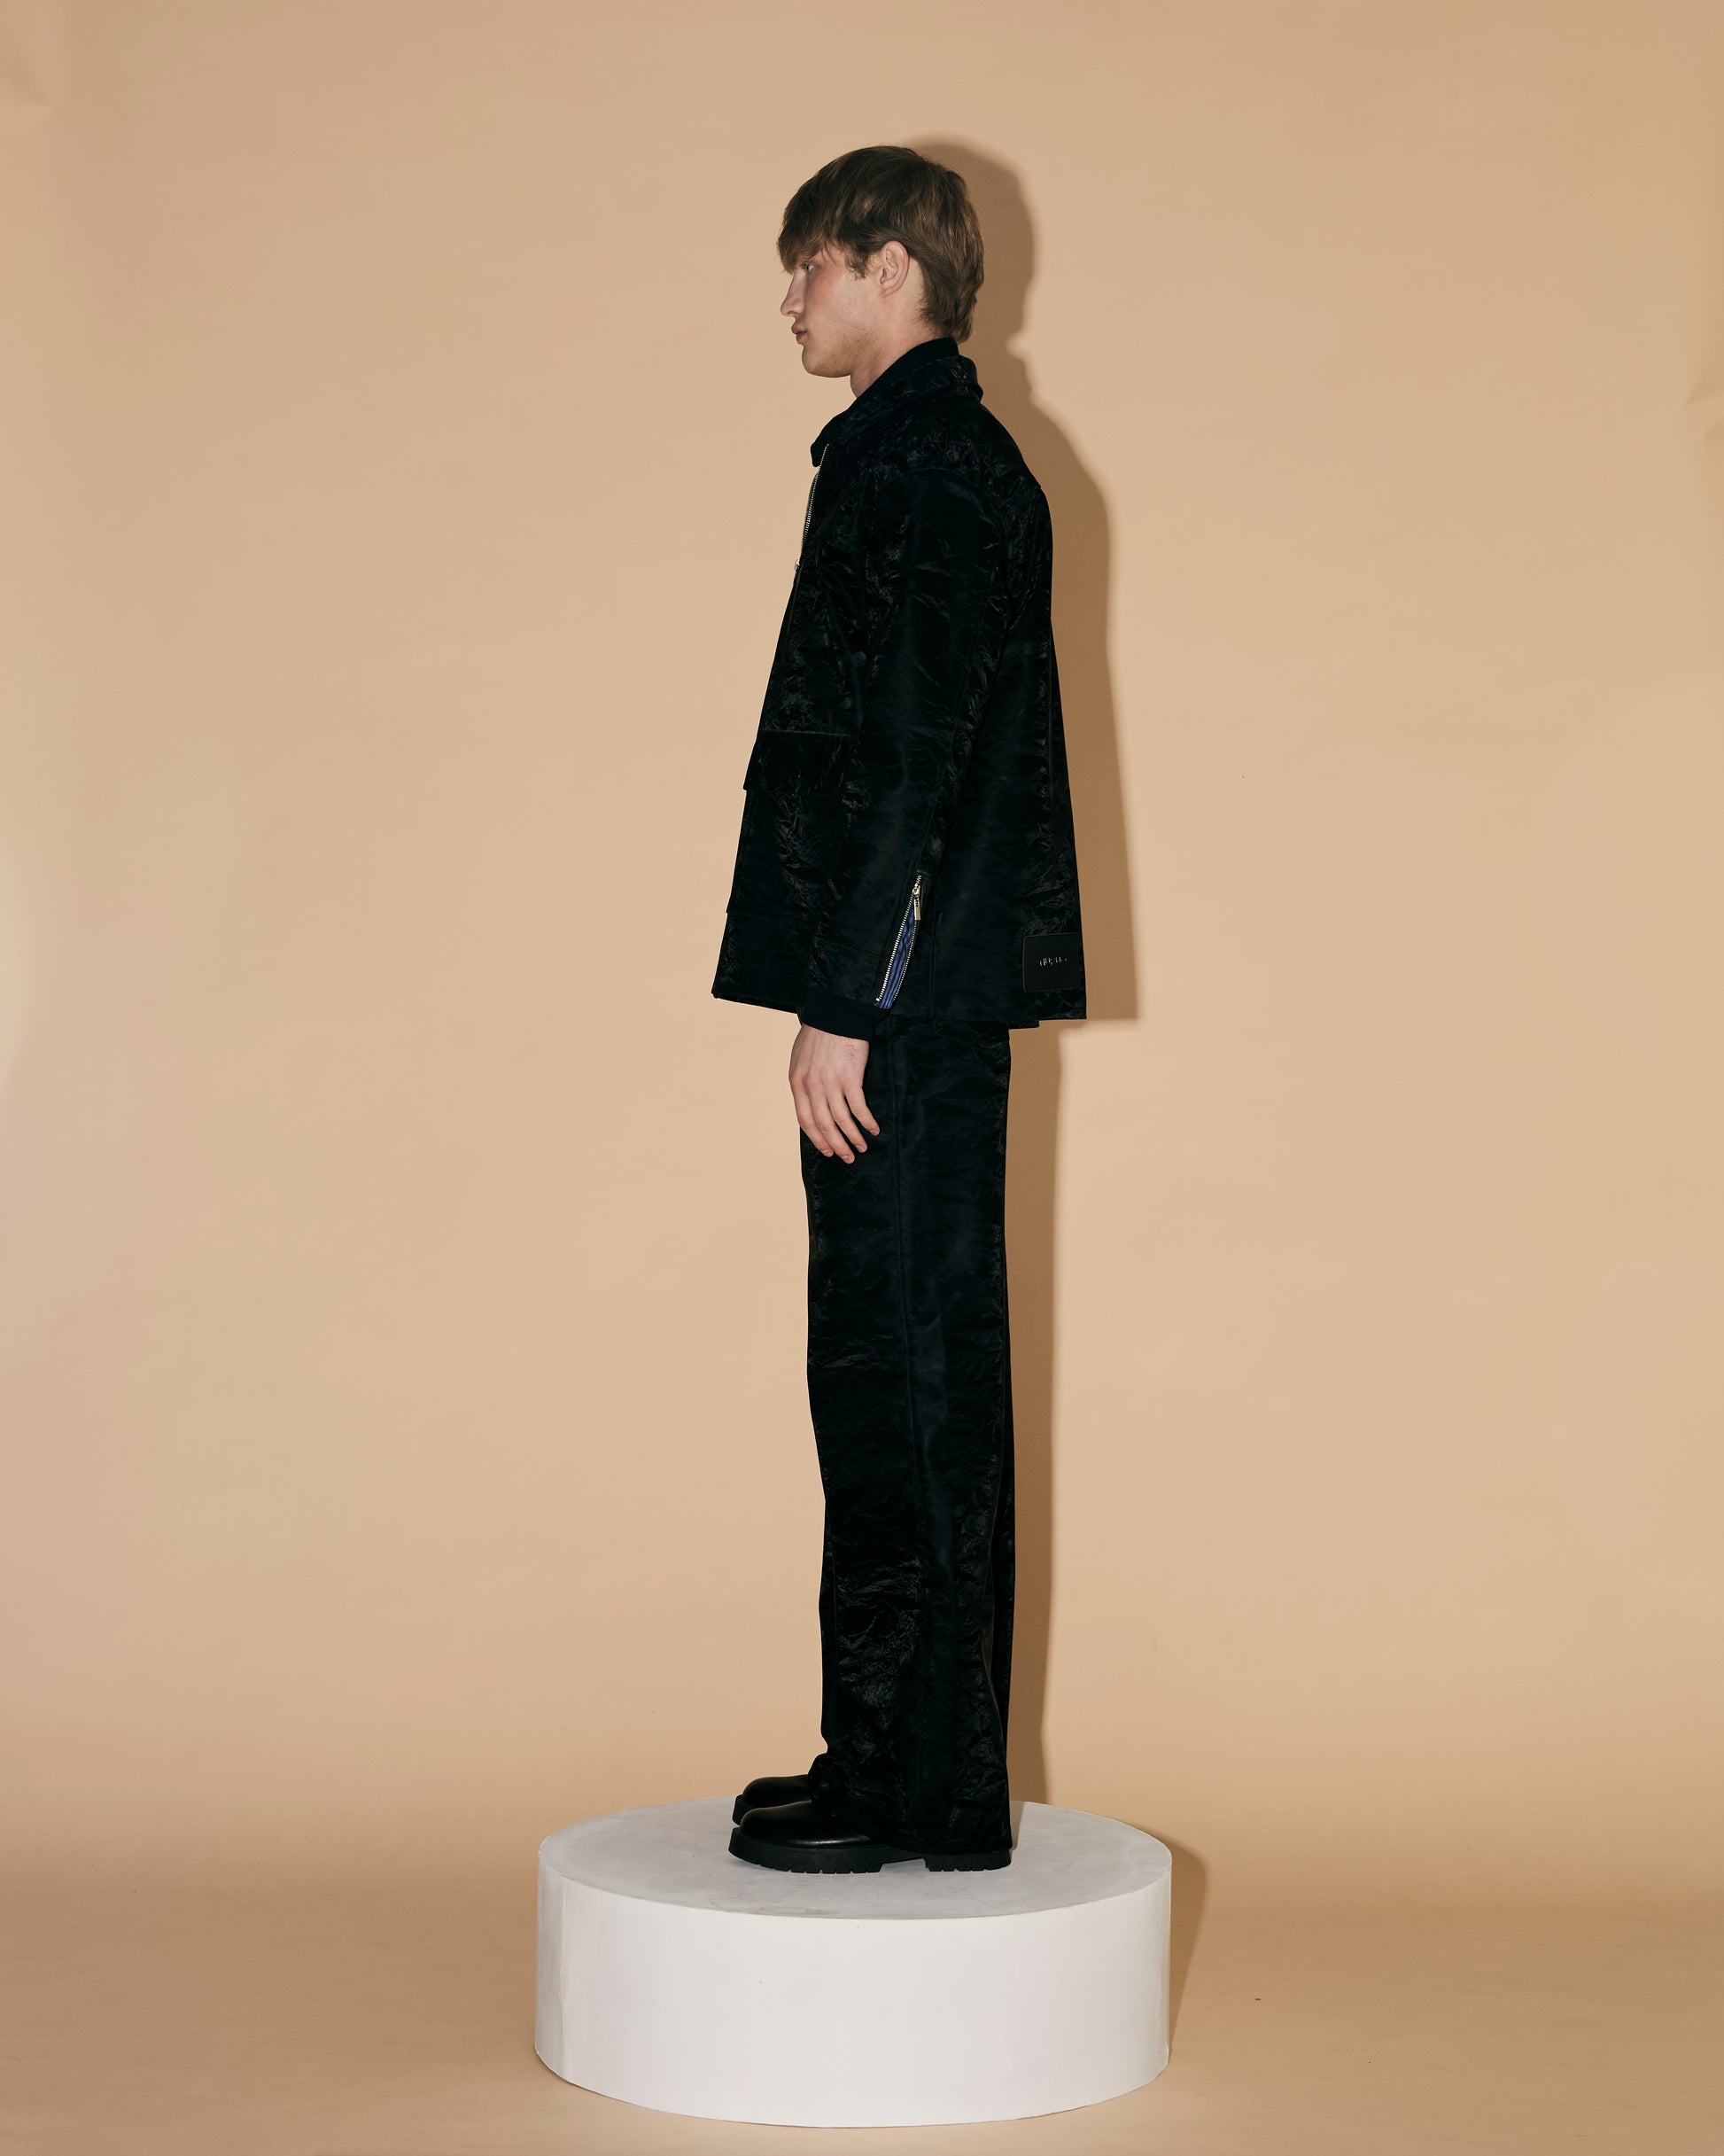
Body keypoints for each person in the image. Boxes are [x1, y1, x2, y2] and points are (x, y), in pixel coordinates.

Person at [712, 145, 1084, 1873]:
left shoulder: (935, 468)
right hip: (901, 998)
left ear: (887, 267)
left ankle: (921, 1785)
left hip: (906, 1016)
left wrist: (848, 1001)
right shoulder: (905, 456)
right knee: (874, 1377)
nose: (788, 299)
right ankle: (881, 1752)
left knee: (916, 1382)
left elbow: (918, 762)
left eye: (808, 265)